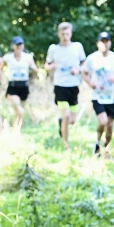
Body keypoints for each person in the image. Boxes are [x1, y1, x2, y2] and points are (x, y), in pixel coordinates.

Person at [82, 31, 114, 157]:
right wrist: (90, 83)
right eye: (102, 41)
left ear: (110, 43)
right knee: (103, 121)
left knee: (110, 125)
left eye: (107, 41)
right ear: (98, 43)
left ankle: (106, 148)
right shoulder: (92, 58)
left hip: (112, 96)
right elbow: (84, 73)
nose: (105, 44)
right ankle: (97, 142)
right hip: (97, 95)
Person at [45, 22, 86, 150]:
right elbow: (46, 65)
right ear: (59, 34)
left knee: (72, 120)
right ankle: (66, 145)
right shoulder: (53, 49)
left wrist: (78, 70)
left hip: (73, 86)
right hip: (60, 85)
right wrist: (51, 67)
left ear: (71, 34)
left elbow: (84, 64)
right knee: (66, 116)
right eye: (62, 34)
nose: (65, 36)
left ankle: (61, 123)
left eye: (67, 34)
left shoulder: (77, 47)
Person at [0, 36, 39, 129]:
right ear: (13, 46)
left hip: (24, 86)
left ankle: (16, 130)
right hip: (13, 86)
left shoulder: (27, 57)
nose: (19, 47)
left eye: (20, 44)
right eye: (17, 45)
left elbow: (35, 70)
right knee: (20, 110)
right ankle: (15, 129)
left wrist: (33, 78)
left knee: (20, 112)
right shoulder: (8, 57)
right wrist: (3, 81)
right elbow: (0, 69)